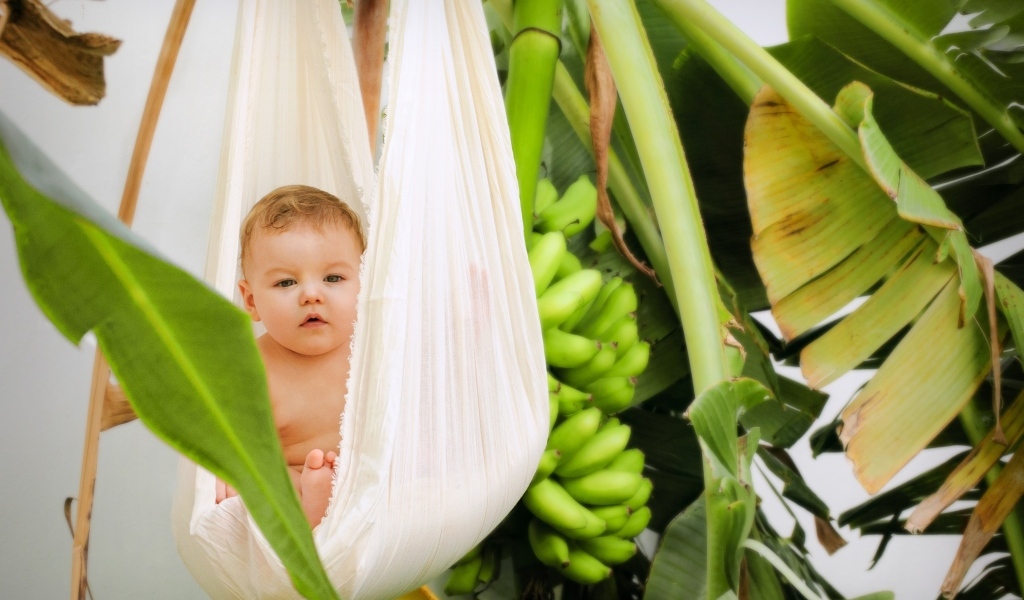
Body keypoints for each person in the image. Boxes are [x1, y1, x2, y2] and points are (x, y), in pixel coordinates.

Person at [214, 184, 364, 529]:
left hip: (371, 474)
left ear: (364, 285)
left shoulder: (374, 345)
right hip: (296, 476)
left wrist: (473, 319)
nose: (311, 294)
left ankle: (327, 501)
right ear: (251, 301)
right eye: (285, 283)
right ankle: (313, 505)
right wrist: (218, 469)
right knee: (262, 482)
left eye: (333, 277)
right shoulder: (249, 369)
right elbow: (219, 435)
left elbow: (435, 362)